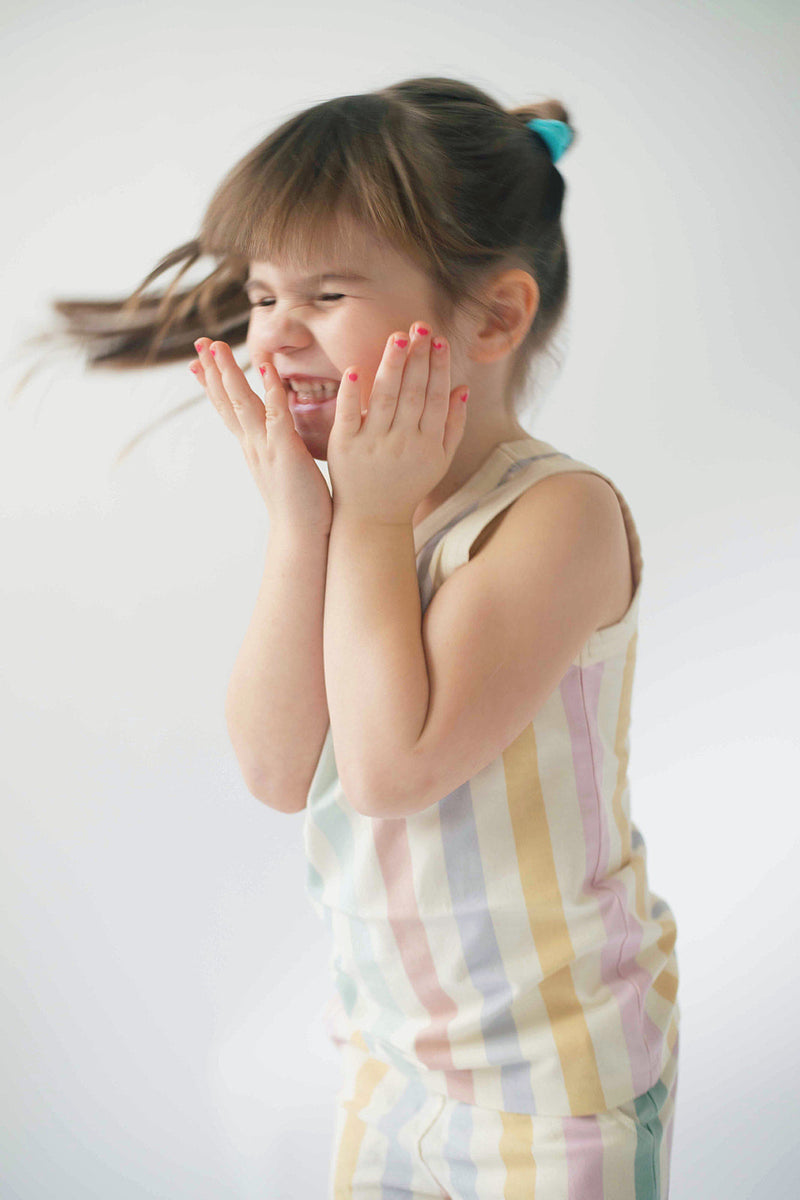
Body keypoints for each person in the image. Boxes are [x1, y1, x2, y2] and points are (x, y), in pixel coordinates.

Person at [28, 76, 680, 1199]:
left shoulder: (553, 517)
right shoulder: (356, 519)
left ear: (495, 318)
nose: (271, 337)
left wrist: (368, 519)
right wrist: (304, 522)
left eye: (324, 295)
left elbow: (389, 769)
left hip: (552, 1085)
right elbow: (281, 770)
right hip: (387, 1069)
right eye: (259, 294)